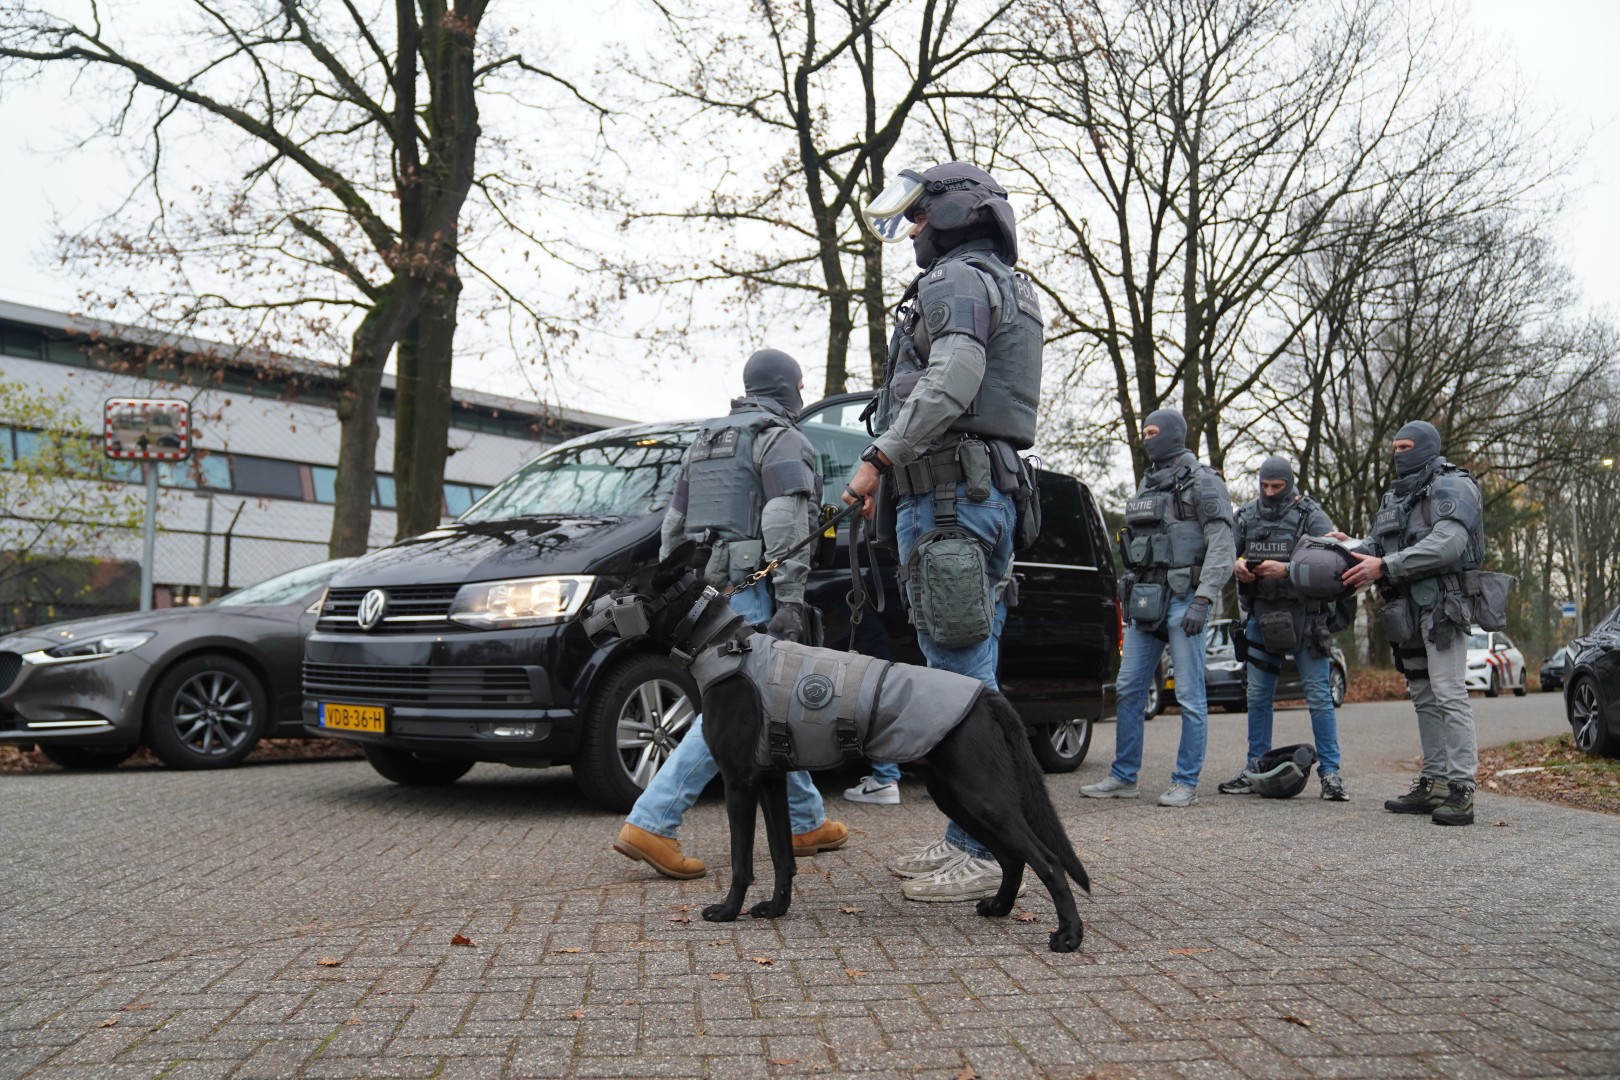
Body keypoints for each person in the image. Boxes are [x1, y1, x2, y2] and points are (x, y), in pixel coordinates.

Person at [844, 161, 1043, 901]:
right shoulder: (1007, 284)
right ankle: (972, 836)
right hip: (979, 495)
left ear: (956, 214)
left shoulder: (956, 281)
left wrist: (878, 459)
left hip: (950, 496)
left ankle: (990, 848)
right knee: (969, 674)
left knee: (958, 686)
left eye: (919, 218)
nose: (912, 234)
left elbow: (953, 375)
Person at [613, 349, 849, 878]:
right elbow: (786, 518)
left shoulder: (706, 441)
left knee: (765, 704)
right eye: (801, 383)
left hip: (705, 591)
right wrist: (789, 597)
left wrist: (680, 588)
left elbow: (673, 528)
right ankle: (653, 821)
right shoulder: (781, 437)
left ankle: (804, 820)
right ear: (788, 386)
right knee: (735, 711)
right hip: (752, 590)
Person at [1332, 421, 1485, 826]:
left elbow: (1448, 542)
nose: (1398, 454)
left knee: (1449, 692)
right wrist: (1345, 548)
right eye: (1394, 447)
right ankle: (1433, 781)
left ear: (1428, 448)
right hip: (1406, 608)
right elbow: (1376, 547)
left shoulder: (1452, 485)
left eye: (1406, 446)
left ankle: (1461, 788)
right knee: (1423, 695)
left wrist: (1385, 565)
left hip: (1444, 605)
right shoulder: (1395, 498)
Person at [1081, 408, 1234, 807]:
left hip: (1186, 599)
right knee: (1130, 688)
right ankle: (1123, 776)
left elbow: (1222, 545)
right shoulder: (1146, 486)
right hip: (1145, 601)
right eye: (1143, 432)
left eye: (1153, 432)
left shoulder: (1203, 483)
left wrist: (1205, 597)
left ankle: (1185, 781)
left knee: (1189, 695)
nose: (1146, 438)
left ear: (1172, 434)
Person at [1217, 455, 1348, 801]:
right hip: (1262, 617)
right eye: (1265, 486)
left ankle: (1331, 775)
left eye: (1277, 486)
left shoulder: (1311, 515)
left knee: (1319, 696)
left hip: (1306, 618)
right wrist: (1237, 566)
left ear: (1289, 484)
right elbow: (1225, 551)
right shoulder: (1245, 516)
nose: (1270, 492)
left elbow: (1333, 562)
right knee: (1257, 696)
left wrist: (1286, 570)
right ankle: (1254, 768)